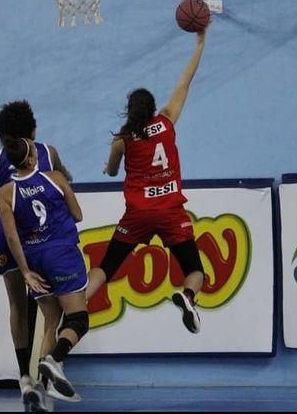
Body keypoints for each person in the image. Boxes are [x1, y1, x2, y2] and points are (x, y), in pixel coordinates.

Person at [84, 28, 208, 334]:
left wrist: (108, 167)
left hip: (138, 214)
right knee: (194, 270)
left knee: (106, 267)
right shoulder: (167, 121)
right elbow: (185, 82)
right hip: (170, 210)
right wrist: (200, 42)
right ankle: (188, 296)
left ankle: (76, 305)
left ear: (129, 111)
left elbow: (113, 172)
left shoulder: (122, 139)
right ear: (152, 109)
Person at [0, 100, 72, 407]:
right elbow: (66, 180)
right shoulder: (48, 152)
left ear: (2, 133)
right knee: (53, 313)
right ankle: (45, 377)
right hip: (39, 239)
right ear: (33, 128)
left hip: (5, 238)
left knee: (17, 306)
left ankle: (24, 379)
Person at [0, 138, 88, 403]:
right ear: (34, 157)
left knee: (51, 322)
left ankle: (41, 392)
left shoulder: (5, 192)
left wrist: (24, 271)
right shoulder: (55, 178)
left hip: (34, 260)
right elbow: (78, 215)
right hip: (61, 255)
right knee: (78, 320)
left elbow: (12, 237)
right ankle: (54, 360)